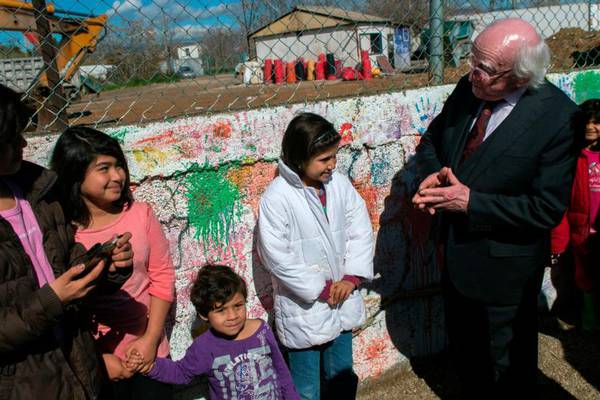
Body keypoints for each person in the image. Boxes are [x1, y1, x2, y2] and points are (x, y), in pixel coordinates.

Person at [411, 18, 578, 397]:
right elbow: (432, 142)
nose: (472, 73)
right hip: (454, 258)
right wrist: (434, 176)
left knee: (509, 370)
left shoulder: (557, 118)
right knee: (468, 361)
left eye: (484, 68)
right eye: (472, 60)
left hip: (506, 273)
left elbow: (545, 209)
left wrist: (470, 202)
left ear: (519, 77)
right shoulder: (468, 89)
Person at [0, 84, 134, 398]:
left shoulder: (37, 192)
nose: (23, 142)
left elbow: (68, 259)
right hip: (26, 386)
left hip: (80, 367)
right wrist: (51, 301)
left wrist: (105, 266)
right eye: (12, 138)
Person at [50, 126, 176, 399]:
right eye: (104, 168)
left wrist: (151, 339)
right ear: (75, 174)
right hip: (97, 363)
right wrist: (98, 359)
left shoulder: (141, 215)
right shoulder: (63, 232)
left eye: (119, 166)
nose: (117, 176)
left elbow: (162, 276)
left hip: (150, 354)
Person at [257, 112, 374, 400]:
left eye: (334, 156)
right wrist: (319, 289)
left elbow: (361, 229)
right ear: (299, 158)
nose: (332, 165)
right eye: (324, 159)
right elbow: (275, 254)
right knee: (306, 389)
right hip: (304, 309)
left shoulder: (339, 185)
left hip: (342, 299)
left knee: (341, 377)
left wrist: (350, 278)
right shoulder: (278, 197)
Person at [130, 264, 299, 400]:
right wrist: (149, 366)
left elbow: (281, 371)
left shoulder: (261, 330)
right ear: (204, 315)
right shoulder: (204, 346)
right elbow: (180, 372)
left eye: (238, 306)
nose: (232, 316)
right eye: (221, 310)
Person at [551, 99, 600, 331]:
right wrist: (558, 242)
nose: (591, 127)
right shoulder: (571, 159)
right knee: (584, 276)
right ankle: (589, 317)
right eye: (587, 122)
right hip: (581, 230)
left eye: (597, 122)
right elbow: (561, 202)